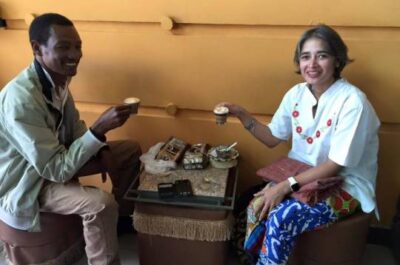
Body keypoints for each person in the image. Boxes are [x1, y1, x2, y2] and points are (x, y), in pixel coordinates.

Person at [217, 24, 380, 265]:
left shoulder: (353, 101)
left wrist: (284, 187)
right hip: (302, 176)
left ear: (337, 60)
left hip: (346, 184)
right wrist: (241, 114)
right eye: (305, 57)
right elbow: (272, 138)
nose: (312, 64)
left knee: (282, 217)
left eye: (322, 55)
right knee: (256, 205)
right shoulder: (296, 94)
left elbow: (335, 166)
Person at [0, 13, 142, 264]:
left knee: (129, 151)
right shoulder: (20, 100)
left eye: (78, 46)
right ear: (37, 48)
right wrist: (98, 130)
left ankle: (121, 222)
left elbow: (75, 127)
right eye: (63, 47)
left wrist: (102, 149)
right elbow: (56, 169)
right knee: (100, 203)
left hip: (54, 160)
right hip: (29, 182)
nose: (75, 55)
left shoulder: (57, 81)